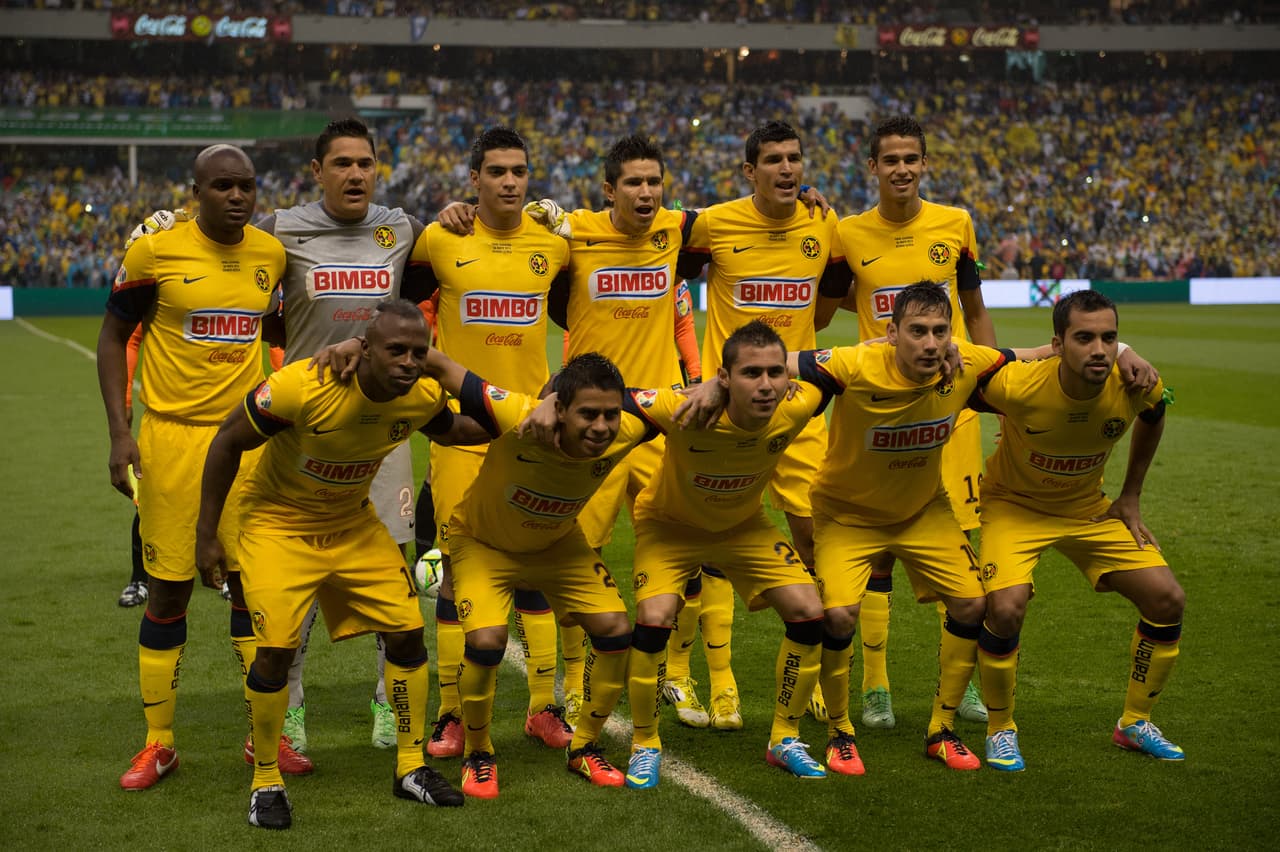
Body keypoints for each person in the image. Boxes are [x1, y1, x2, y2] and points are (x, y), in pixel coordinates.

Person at [130, 118, 434, 752]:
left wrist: (465, 212)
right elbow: (230, 262)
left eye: (366, 163)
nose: (356, 173)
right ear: (316, 172)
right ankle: (287, 714)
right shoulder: (280, 231)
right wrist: (166, 224)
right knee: (291, 588)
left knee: (393, 571)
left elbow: (455, 268)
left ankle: (388, 703)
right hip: (303, 433)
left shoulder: (402, 229)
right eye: (342, 163)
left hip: (382, 430)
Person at [196, 301, 480, 829]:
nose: (408, 363)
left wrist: (522, 415)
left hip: (352, 523)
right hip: (277, 525)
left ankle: (410, 766)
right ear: (364, 348)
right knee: (275, 652)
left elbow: (458, 429)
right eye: (396, 350)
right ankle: (265, 779)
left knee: (407, 634)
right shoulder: (300, 386)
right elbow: (228, 440)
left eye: (420, 353)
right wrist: (206, 534)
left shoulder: (419, 395)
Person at [96, 144, 304, 790]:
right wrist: (119, 432)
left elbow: (276, 335)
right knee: (168, 590)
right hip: (172, 443)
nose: (238, 196)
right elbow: (110, 337)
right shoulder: (154, 253)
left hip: (247, 443)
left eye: (246, 185)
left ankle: (262, 739)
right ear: (197, 191)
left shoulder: (270, 258)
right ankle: (159, 744)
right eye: (223, 186)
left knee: (254, 592)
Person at [794, 282, 1014, 774]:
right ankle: (839, 732)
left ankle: (942, 729)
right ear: (891, 333)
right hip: (847, 513)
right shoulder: (856, 363)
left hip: (922, 510)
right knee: (838, 616)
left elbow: (1035, 355)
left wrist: (1124, 350)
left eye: (940, 331)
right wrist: (719, 378)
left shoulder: (965, 365)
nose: (931, 343)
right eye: (917, 331)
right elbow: (779, 363)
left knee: (972, 602)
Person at [673, 119, 850, 731]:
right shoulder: (711, 224)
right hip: (723, 410)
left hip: (797, 408)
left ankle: (817, 681)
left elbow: (826, 304)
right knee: (707, 542)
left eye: (794, 158)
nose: (786, 168)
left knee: (813, 537)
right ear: (749, 171)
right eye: (772, 159)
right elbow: (657, 267)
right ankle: (705, 679)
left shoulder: (822, 224)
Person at [407, 126, 574, 759]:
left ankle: (542, 707)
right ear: (473, 178)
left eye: (519, 171)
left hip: (531, 434)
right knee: (455, 571)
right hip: (459, 433)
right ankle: (450, 715)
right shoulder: (439, 239)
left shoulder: (553, 245)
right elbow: (400, 306)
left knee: (532, 567)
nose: (509, 181)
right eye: (497, 171)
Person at [826, 115, 994, 730]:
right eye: (890, 158)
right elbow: (822, 313)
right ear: (871, 167)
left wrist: (988, 384)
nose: (901, 168)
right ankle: (876, 686)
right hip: (880, 411)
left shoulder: (956, 225)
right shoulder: (846, 233)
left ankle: (964, 687)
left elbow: (974, 310)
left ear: (924, 163)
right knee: (879, 553)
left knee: (960, 548)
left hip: (949, 405)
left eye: (911, 158)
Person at [971, 290, 1184, 771]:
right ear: (1057, 344)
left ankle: (1134, 723)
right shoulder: (1018, 385)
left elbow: (1155, 413)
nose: (1099, 349)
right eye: (1084, 338)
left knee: (1167, 598)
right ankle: (1000, 729)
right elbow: (959, 380)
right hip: (1014, 507)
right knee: (1005, 608)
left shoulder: (1136, 384)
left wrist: (1130, 495)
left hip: (1088, 509)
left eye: (1110, 338)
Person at [623, 320, 832, 789]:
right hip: (669, 528)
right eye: (750, 373)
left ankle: (785, 737)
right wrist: (556, 395)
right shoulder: (684, 407)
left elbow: (839, 368)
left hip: (742, 526)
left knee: (809, 612)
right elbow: (616, 395)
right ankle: (644, 743)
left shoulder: (800, 403)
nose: (765, 386)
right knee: (655, 618)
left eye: (775, 373)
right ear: (724, 377)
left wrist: (889, 342)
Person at [444, 352, 649, 799]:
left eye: (611, 414)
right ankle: (478, 753)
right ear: (558, 408)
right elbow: (440, 364)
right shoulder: (518, 416)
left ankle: (586, 747)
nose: (601, 426)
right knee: (486, 641)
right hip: (482, 543)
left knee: (616, 630)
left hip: (557, 544)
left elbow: (683, 400)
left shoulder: (629, 429)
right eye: (588, 414)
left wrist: (714, 386)